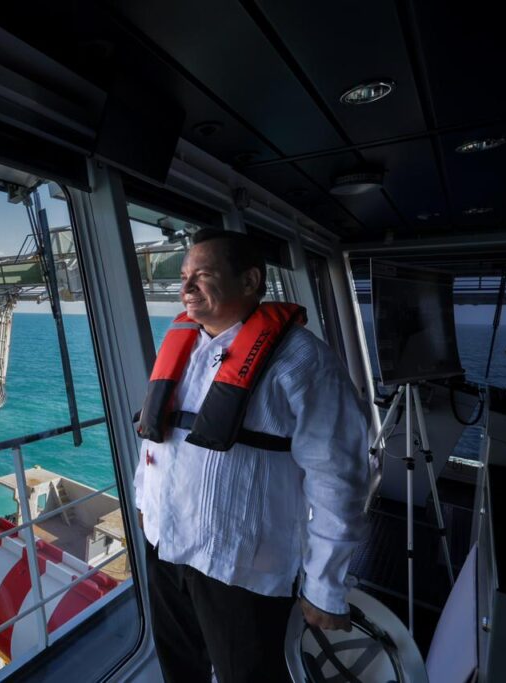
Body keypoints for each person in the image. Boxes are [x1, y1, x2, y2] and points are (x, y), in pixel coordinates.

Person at [134, 228, 369, 682]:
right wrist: (145, 503)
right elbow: (157, 438)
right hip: (165, 547)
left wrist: (325, 585)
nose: (187, 287)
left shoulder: (302, 360)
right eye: (183, 277)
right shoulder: (181, 347)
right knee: (179, 669)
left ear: (249, 281)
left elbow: (339, 477)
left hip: (240, 567)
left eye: (203, 275)